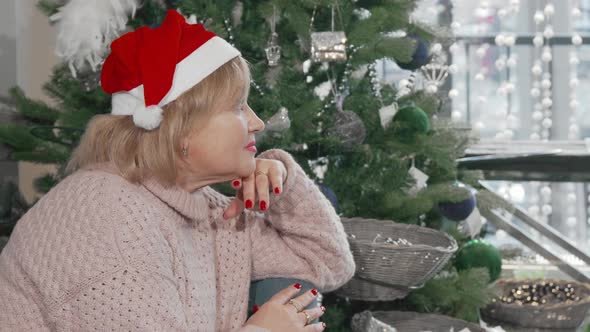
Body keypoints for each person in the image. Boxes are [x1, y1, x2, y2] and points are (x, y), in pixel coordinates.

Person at [0, 9, 355, 332]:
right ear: (179, 128)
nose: (257, 123)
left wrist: (281, 180)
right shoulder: (111, 223)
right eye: (236, 107)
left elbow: (327, 262)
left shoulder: (209, 209)